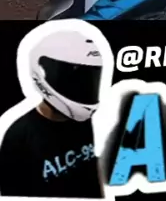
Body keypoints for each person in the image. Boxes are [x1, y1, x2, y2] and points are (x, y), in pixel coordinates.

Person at [0, 26, 107, 197]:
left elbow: (94, 169)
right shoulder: (19, 137)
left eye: (87, 79)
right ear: (43, 72)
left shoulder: (86, 123)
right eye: (74, 79)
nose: (82, 86)